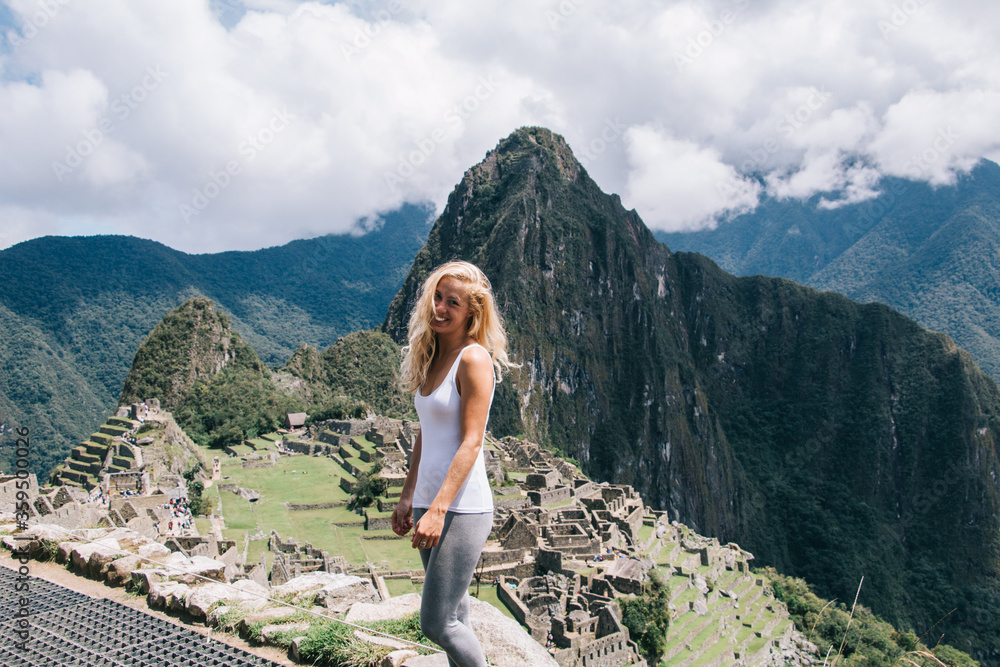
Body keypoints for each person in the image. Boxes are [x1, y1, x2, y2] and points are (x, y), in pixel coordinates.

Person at [391, 260, 516, 667]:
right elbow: (425, 433)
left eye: (453, 303)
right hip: (431, 502)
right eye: (438, 298)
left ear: (472, 313)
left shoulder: (472, 359)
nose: (440, 308)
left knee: (437, 623)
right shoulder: (431, 359)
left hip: (460, 508)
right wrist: (409, 496)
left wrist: (439, 510)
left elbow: (471, 442)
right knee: (457, 615)